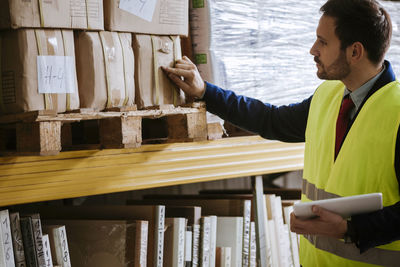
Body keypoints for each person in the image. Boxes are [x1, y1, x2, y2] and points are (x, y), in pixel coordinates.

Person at [162, 0, 400, 265]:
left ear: (355, 52)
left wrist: (349, 230)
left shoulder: (397, 113)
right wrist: (206, 91)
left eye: (323, 42)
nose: (313, 50)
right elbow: (271, 120)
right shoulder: (327, 97)